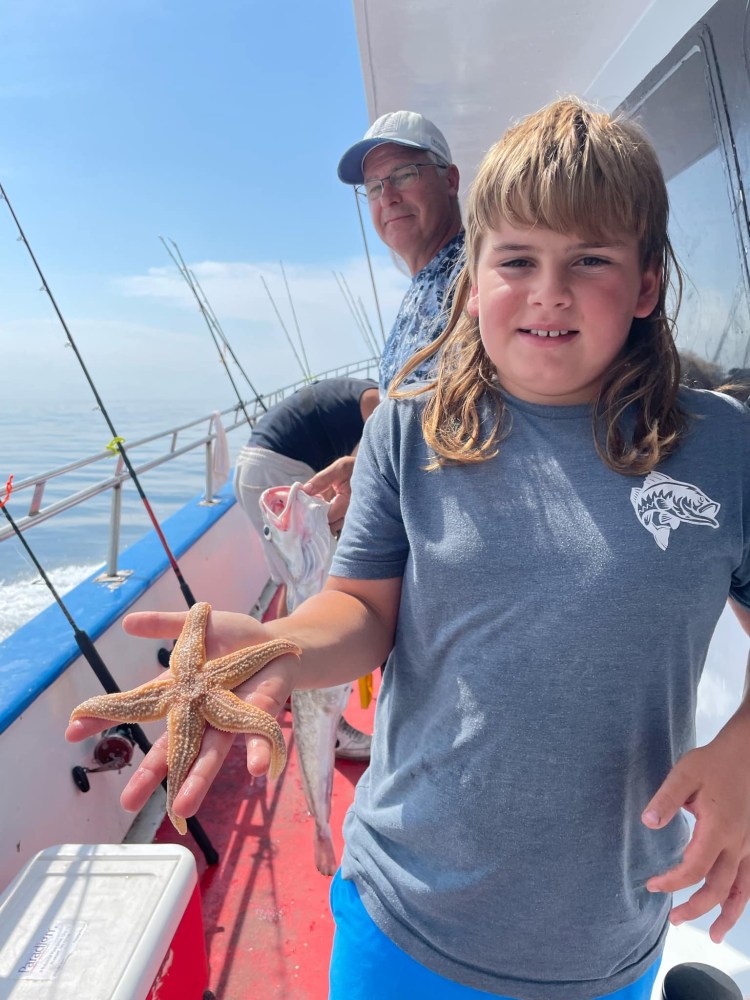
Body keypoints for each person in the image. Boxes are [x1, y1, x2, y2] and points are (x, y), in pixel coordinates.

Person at [69, 98, 750, 999]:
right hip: (400, 908)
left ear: (648, 284)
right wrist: (280, 648)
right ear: (472, 281)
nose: (548, 290)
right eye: (516, 260)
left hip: (604, 932)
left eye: (590, 261)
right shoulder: (408, 428)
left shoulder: (721, 446)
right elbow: (360, 608)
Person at [306, 110, 466, 526]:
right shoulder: (421, 288)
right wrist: (360, 467)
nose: (387, 197)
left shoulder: (478, 276)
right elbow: (398, 409)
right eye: (374, 187)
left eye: (403, 175)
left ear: (450, 180)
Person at [233, 375, 379, 760]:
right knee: (313, 585)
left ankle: (285, 678)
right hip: (279, 470)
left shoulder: (356, 393)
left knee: (296, 582)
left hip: (257, 465)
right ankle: (319, 710)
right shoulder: (381, 402)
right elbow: (380, 450)